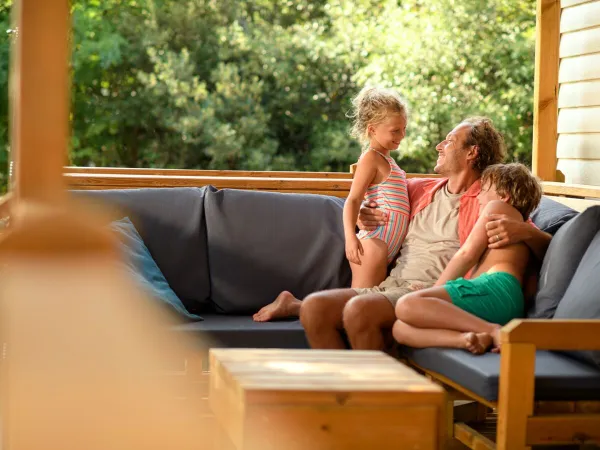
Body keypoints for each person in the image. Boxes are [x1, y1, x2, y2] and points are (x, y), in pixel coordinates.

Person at [252, 117, 552, 352]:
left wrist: (525, 230)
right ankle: (343, 398)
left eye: (449, 141)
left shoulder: (487, 199)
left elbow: (529, 238)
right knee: (316, 309)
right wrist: (362, 213)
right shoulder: (418, 189)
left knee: (359, 311)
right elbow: (374, 195)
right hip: (390, 285)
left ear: (471, 152)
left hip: (427, 291)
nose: (439, 145)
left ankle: (378, 404)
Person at [392, 163, 542, 354]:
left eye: (483, 189)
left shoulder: (498, 207)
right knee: (400, 328)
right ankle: (469, 339)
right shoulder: (517, 228)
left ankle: (494, 331)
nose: (477, 196)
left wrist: (435, 290)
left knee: (407, 304)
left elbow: (467, 254)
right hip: (499, 301)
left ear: (503, 196)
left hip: (493, 290)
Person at [343, 86, 410, 288]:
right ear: (372, 129)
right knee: (358, 304)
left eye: (404, 128)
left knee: (368, 303)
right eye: (395, 130)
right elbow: (353, 199)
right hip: (373, 243)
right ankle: (293, 304)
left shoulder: (389, 161)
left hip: (385, 247)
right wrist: (350, 238)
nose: (402, 135)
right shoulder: (371, 158)